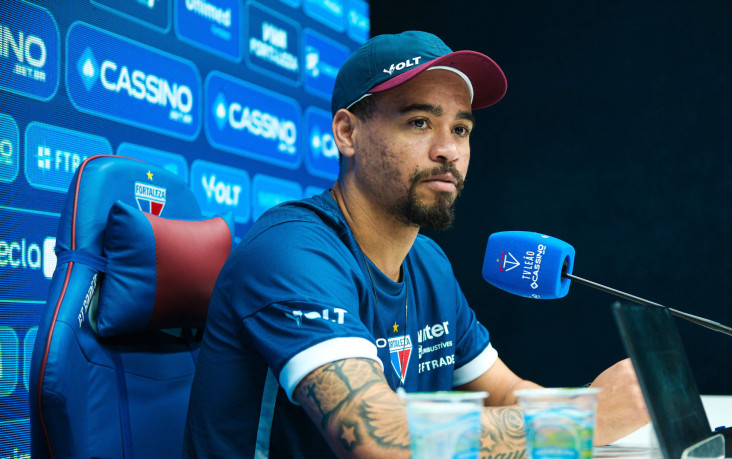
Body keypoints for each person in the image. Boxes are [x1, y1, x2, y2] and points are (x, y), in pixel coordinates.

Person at [184, 30, 650, 458]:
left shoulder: (427, 262)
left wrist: (597, 401)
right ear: (348, 133)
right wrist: (579, 422)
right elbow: (377, 437)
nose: (448, 149)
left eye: (461, 129)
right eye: (420, 123)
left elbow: (508, 394)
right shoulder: (289, 252)